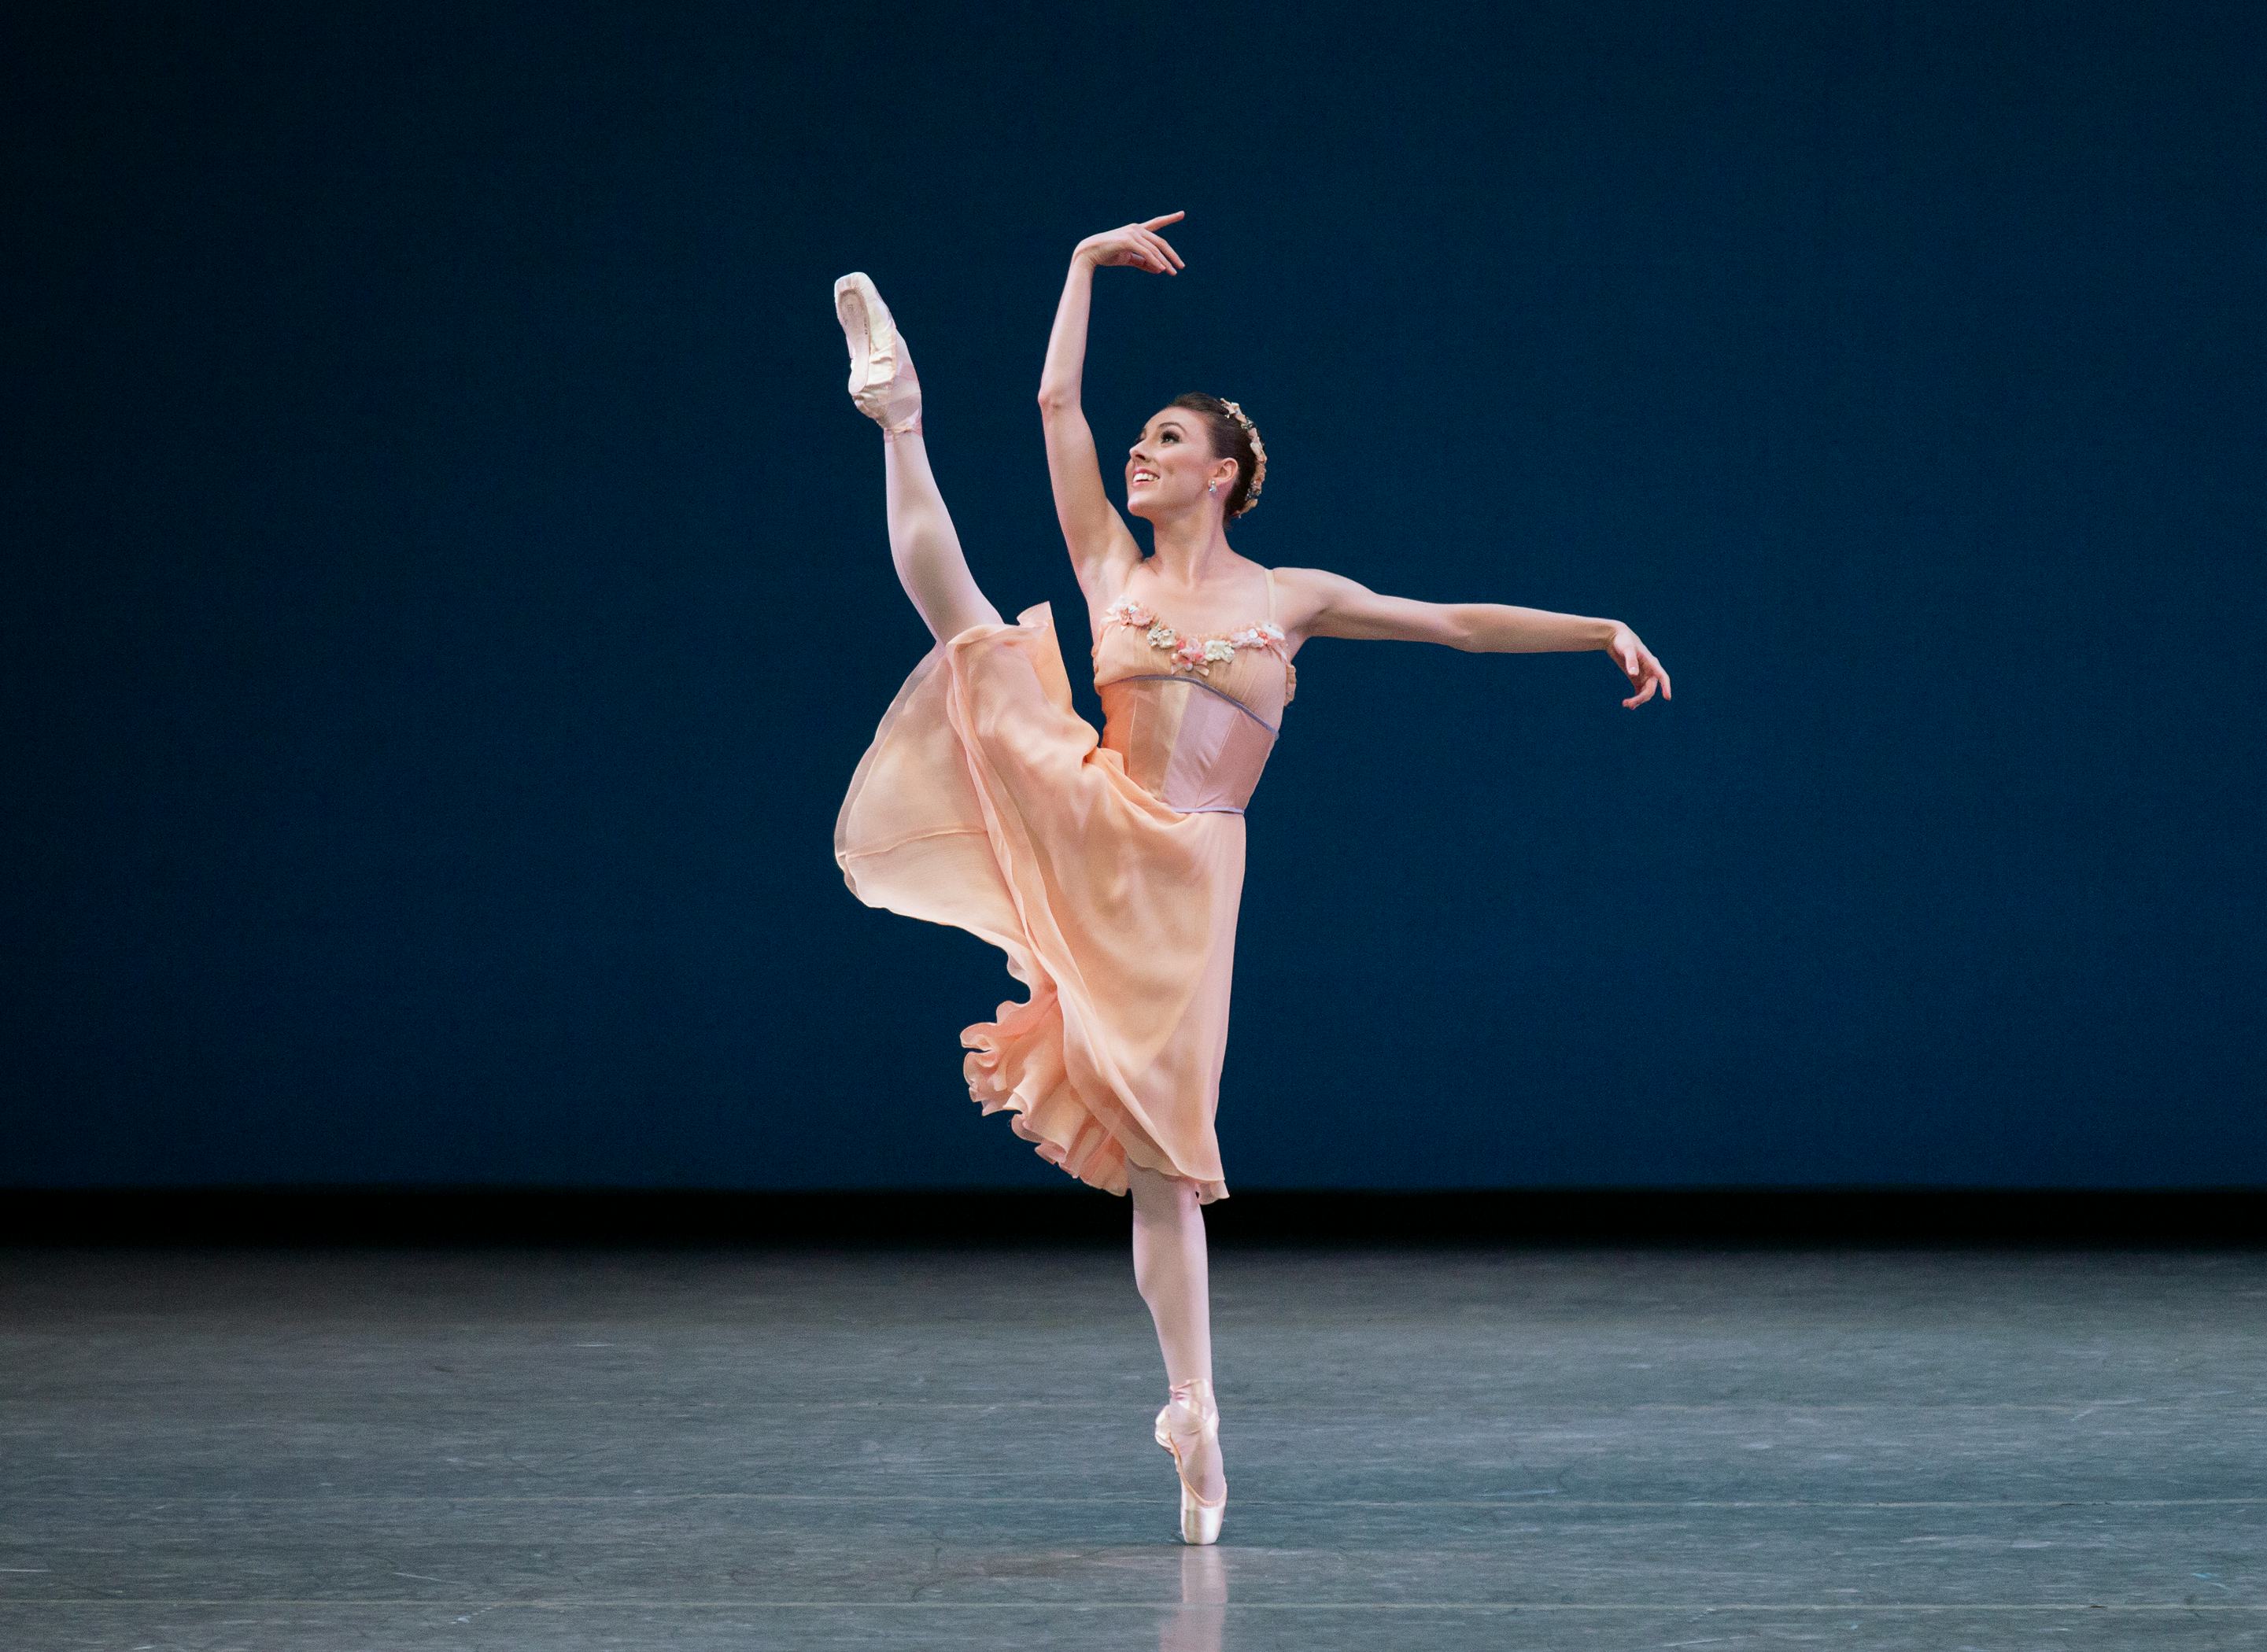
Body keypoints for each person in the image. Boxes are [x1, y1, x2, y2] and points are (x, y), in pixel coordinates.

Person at [831, 212, 1672, 1545]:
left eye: (1166, 442)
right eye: (1144, 440)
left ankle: (1192, 1414)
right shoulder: (1109, 566)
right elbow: (1056, 400)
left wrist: (1597, 629)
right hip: (1099, 815)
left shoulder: (1290, 597)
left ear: (1221, 474)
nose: (1140, 453)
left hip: (1191, 875)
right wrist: (1073, 269)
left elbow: (1450, 624)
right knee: (980, 642)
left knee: (1171, 1162)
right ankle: (896, 415)